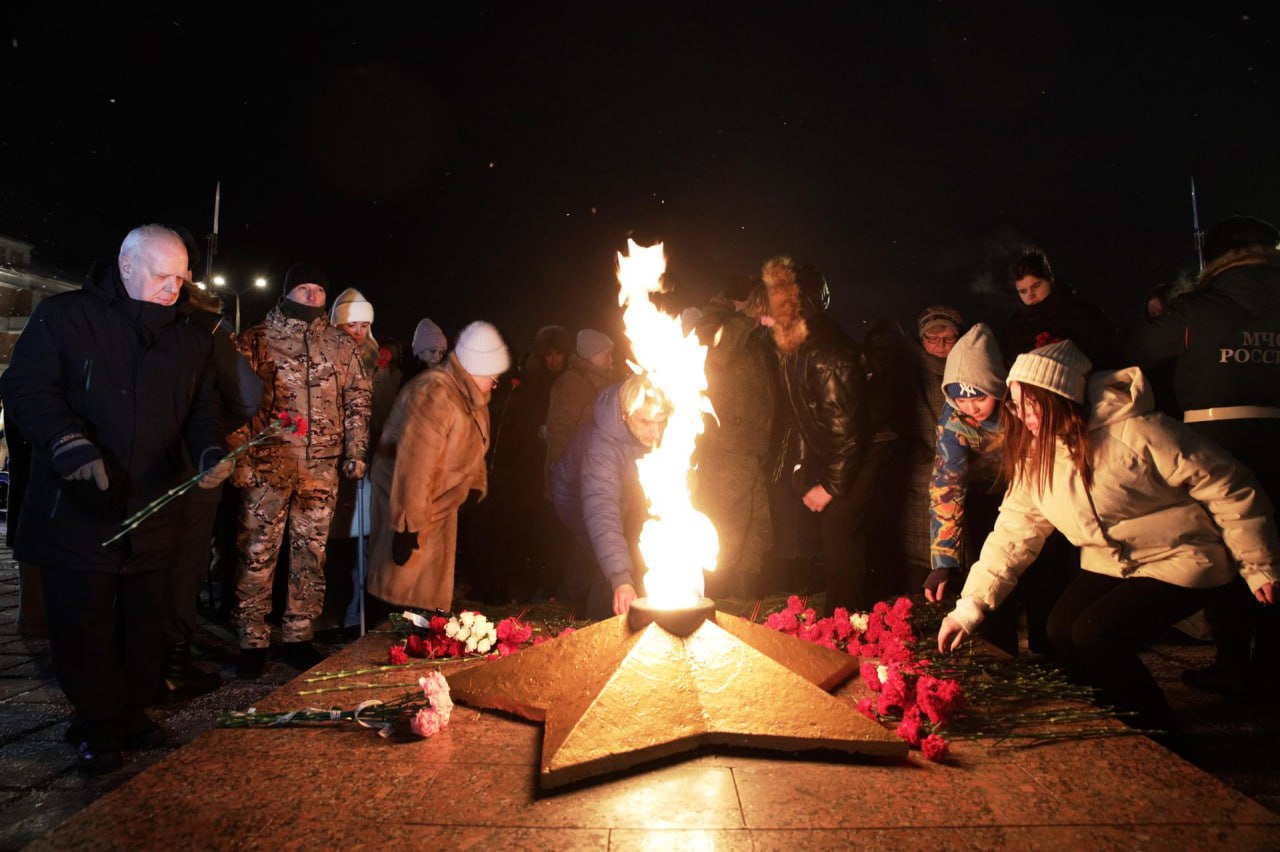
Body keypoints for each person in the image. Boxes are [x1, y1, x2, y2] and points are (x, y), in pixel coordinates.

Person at [937, 340, 1279, 734]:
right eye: (1017, 405)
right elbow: (1014, 532)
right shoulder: (1038, 453)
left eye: (1032, 405)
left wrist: (1259, 564)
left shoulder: (1139, 432)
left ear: (1060, 399)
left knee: (1096, 634)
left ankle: (1159, 734)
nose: (1023, 416)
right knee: (1059, 629)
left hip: (1181, 555)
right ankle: (1114, 719)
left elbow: (1229, 485)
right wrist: (969, 607)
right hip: (1112, 560)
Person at [0, 225, 229, 773]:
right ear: (126, 266)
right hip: (79, 508)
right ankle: (98, 723)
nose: (174, 288)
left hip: (152, 509)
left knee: (142, 622)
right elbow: (27, 387)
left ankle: (132, 710)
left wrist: (209, 453)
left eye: (181, 278)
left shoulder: (190, 337)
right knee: (84, 623)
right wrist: (67, 442)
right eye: (162, 276)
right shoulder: (64, 317)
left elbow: (201, 410)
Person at [1126, 215, 1280, 695]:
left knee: (1227, 548)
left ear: (1213, 259)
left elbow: (1137, 348)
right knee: (1276, 546)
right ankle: (1271, 667)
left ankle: (1231, 661)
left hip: (1214, 439)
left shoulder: (1198, 307)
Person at [231, 264, 371, 678]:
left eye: (318, 289)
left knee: (310, 553)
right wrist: (239, 457)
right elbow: (235, 399)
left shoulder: (340, 344)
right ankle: (252, 639)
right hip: (267, 466)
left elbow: (358, 398)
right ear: (287, 291)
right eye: (303, 287)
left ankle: (299, 634)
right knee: (257, 553)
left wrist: (356, 450)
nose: (311, 295)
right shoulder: (257, 337)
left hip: (320, 469)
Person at [762, 255, 891, 614]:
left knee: (839, 530)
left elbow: (848, 431)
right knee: (836, 533)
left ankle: (846, 623)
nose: (764, 317)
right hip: (843, 448)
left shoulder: (825, 352)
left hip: (866, 448)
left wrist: (831, 486)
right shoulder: (796, 348)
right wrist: (803, 468)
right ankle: (846, 615)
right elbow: (805, 415)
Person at [161, 266, 264, 702]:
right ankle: (171, 666)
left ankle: (131, 662)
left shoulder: (114, 316)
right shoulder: (206, 327)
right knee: (183, 564)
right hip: (193, 464)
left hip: (126, 465)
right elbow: (246, 395)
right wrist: (213, 432)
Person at [367, 321, 508, 613]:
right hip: (410, 501)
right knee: (401, 584)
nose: (493, 386)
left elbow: (477, 445)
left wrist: (475, 485)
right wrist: (407, 525)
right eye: (492, 379)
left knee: (425, 587)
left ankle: (418, 624)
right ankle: (386, 629)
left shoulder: (473, 396)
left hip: (439, 501)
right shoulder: (434, 393)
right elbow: (415, 462)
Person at [550, 374, 673, 619]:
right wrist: (620, 579)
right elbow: (601, 511)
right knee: (604, 559)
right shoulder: (601, 446)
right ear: (625, 415)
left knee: (610, 549)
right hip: (576, 498)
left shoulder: (650, 425)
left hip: (623, 491)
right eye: (646, 422)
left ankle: (569, 594)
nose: (655, 432)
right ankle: (596, 622)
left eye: (661, 422)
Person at [324, 288, 402, 637]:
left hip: (367, 463)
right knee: (335, 543)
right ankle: (333, 614)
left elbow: (383, 413)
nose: (357, 332)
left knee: (364, 538)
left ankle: (361, 612)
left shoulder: (377, 364)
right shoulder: (324, 355)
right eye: (350, 325)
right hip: (330, 462)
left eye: (363, 326)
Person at [692, 276, 776, 599]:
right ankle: (714, 602)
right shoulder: (712, 323)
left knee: (756, 531)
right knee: (726, 531)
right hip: (725, 450)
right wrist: (748, 319)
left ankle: (744, 604)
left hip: (750, 449)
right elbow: (715, 351)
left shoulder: (750, 332)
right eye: (762, 305)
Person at [897, 305, 964, 591]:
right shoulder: (908, 371)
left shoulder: (968, 371)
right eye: (932, 339)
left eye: (948, 339)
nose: (940, 345)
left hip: (960, 473)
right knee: (919, 559)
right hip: (920, 473)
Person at [1004, 246, 1118, 368]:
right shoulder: (1015, 325)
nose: (1030, 295)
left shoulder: (1084, 313)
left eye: (1036, 286)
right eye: (1023, 291)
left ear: (1050, 279)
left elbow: (1107, 354)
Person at [545, 328, 615, 482]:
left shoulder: (603, 383)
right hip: (574, 474)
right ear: (593, 355)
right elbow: (559, 430)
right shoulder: (570, 383)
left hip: (596, 468)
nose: (611, 360)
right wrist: (564, 470)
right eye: (607, 354)